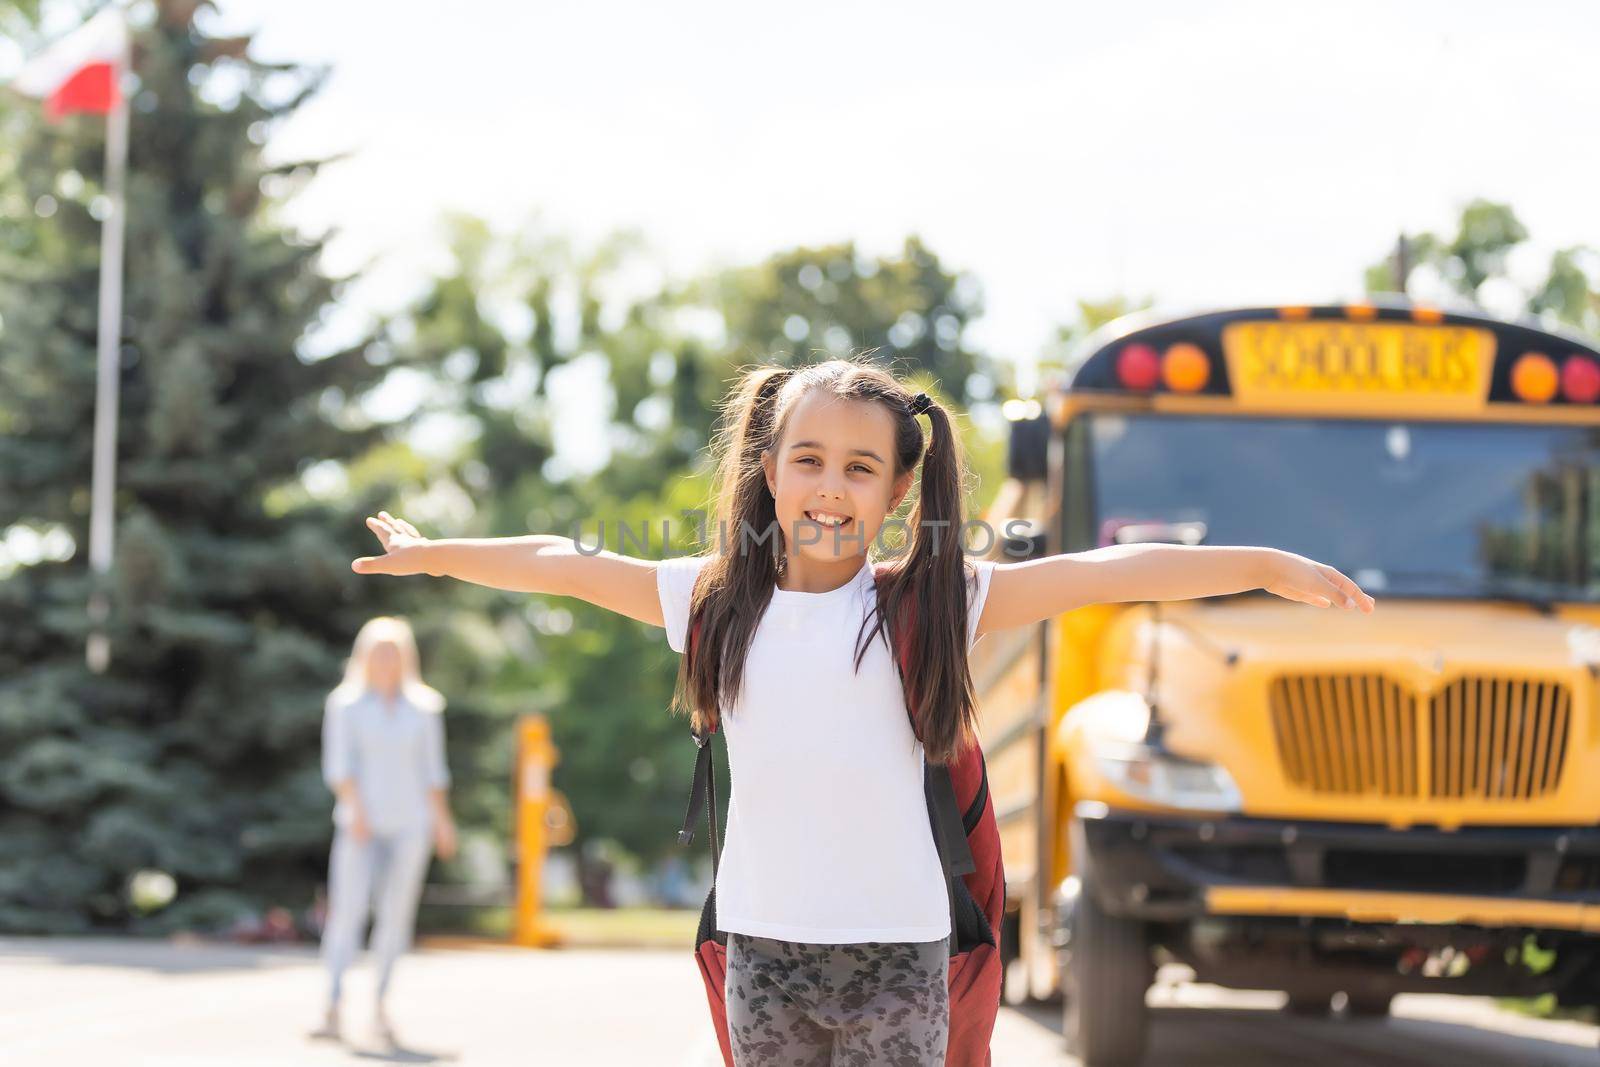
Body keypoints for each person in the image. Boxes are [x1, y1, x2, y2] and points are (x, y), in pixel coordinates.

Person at [349, 357, 1376, 1065]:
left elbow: (1106, 570)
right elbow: (565, 565)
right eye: (807, 459)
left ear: (894, 490)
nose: (829, 486)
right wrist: (439, 553)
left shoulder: (931, 598)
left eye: (858, 467)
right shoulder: (711, 596)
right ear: (767, 468)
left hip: (900, 947)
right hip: (761, 946)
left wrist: (1264, 564)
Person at [311, 615, 457, 1047]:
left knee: (395, 919)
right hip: (360, 825)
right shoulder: (346, 704)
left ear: (406, 657)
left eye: (394, 651)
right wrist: (355, 810)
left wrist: (442, 821)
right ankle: (333, 1005)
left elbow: (434, 771)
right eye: (378, 651)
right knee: (347, 914)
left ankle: (381, 1006)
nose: (386, 660)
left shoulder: (425, 707)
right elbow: (339, 765)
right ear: (363, 655)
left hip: (412, 825)